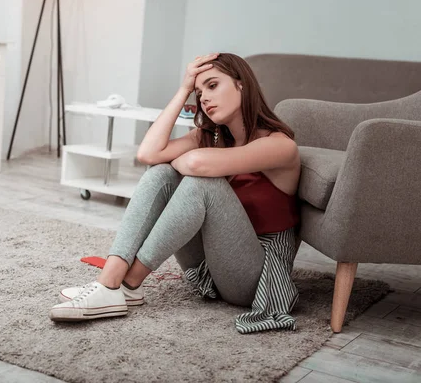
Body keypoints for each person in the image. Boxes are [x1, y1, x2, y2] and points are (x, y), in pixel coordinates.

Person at [50, 53, 301, 333]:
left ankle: (126, 283)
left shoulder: (280, 145)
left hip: (255, 278)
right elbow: (148, 154)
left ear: (241, 85)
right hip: (210, 266)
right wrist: (183, 90)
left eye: (213, 85)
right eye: (198, 92)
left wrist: (180, 163)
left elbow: (195, 164)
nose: (203, 98)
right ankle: (112, 280)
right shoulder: (210, 137)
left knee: (200, 181)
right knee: (160, 173)